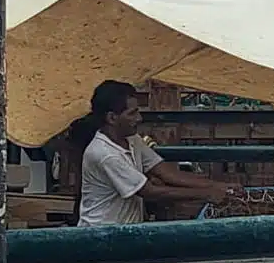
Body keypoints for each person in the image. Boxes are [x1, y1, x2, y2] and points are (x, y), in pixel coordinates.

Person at [67, 80, 241, 226]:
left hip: (124, 231)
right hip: (100, 233)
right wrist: (207, 194)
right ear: (112, 118)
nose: (139, 119)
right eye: (132, 113)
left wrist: (216, 186)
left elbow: (167, 173)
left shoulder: (132, 139)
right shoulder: (104, 153)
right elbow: (149, 191)